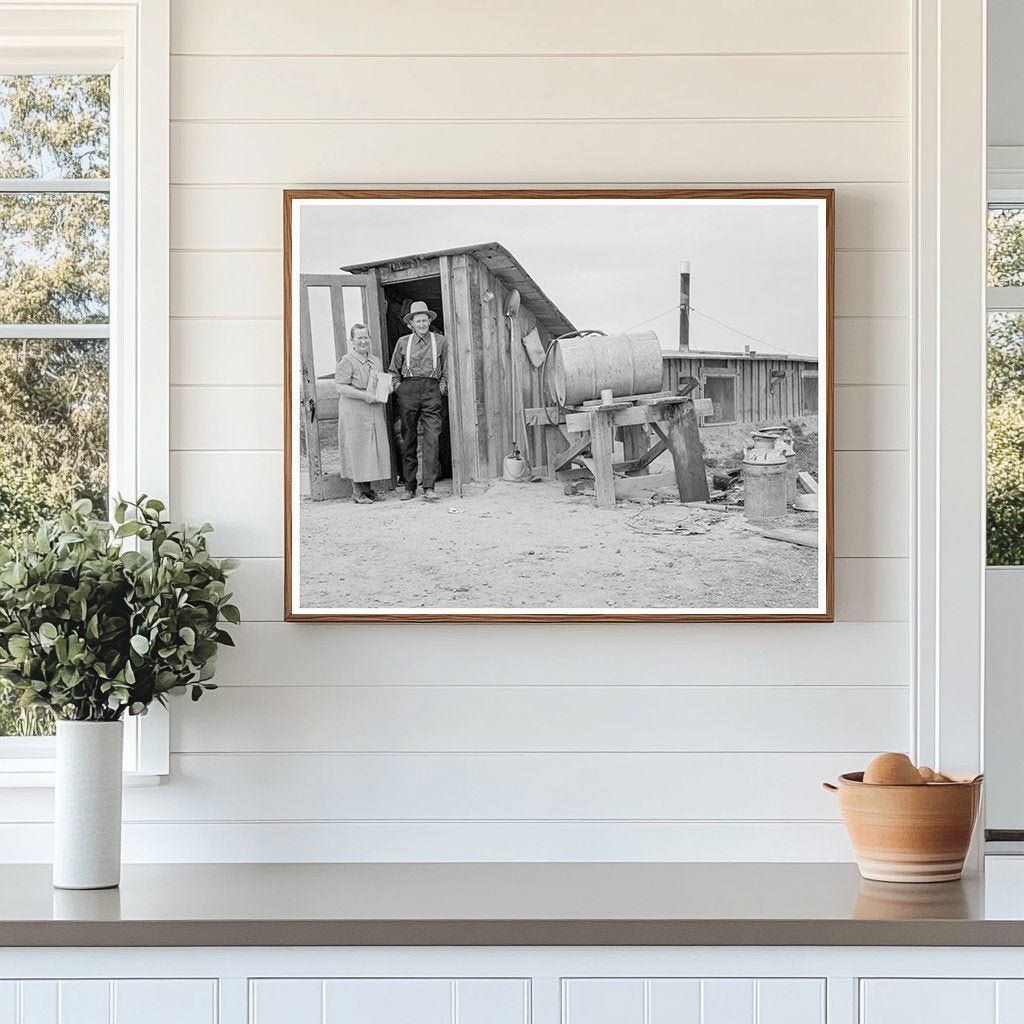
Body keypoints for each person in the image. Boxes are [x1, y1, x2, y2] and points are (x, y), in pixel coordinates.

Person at [388, 299, 448, 503]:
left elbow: (447, 371)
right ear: (411, 323)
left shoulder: (440, 341)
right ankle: (409, 486)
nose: (422, 324)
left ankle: (429, 487)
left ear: (429, 321)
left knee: (432, 438)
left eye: (424, 320)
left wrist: (440, 390)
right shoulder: (403, 342)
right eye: (418, 321)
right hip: (409, 390)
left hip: (432, 390)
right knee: (409, 439)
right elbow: (393, 372)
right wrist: (400, 389)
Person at [335, 324, 391, 504]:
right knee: (356, 448)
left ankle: (369, 489)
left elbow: (379, 381)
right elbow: (340, 387)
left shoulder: (375, 360)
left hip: (373, 409)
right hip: (354, 410)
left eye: (366, 337)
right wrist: (364, 395)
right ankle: (357, 492)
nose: (363, 341)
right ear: (352, 340)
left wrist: (386, 388)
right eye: (359, 338)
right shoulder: (347, 361)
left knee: (372, 448)